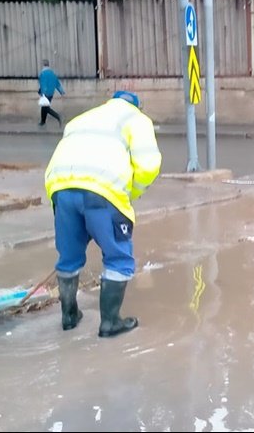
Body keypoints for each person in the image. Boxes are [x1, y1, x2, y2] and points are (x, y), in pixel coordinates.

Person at [44, 91, 162, 338]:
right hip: (103, 191)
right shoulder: (137, 120)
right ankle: (110, 322)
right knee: (118, 257)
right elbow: (149, 164)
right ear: (137, 107)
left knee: (69, 256)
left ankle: (69, 316)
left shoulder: (82, 118)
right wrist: (131, 192)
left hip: (60, 188)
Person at [38, 59, 65, 127]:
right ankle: (42, 121)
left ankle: (58, 117)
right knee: (44, 107)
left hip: (45, 93)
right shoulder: (52, 73)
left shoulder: (43, 73)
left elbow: (43, 84)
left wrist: (42, 93)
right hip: (51, 93)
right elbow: (57, 83)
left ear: (43, 65)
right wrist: (62, 92)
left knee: (46, 108)